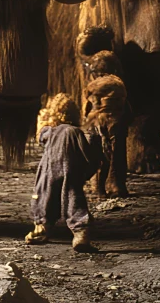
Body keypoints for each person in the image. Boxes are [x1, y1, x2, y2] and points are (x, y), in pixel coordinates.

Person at [25, 93, 102, 252]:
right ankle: (81, 234)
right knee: (73, 199)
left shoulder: (49, 131)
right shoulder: (76, 132)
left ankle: (41, 230)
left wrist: (43, 121)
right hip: (70, 172)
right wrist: (86, 171)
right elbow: (88, 154)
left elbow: (40, 138)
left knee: (44, 199)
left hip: (47, 173)